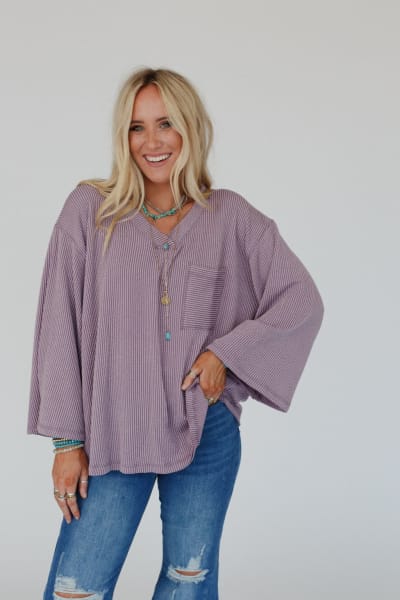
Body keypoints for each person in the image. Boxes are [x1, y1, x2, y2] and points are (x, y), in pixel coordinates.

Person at [27, 67, 324, 600]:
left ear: (190, 128)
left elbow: (300, 299)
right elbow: (58, 324)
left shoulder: (229, 216)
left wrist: (225, 353)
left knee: (189, 582)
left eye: (165, 123)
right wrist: (67, 442)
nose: (152, 141)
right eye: (136, 127)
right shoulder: (91, 210)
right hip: (113, 433)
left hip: (204, 429)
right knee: (78, 589)